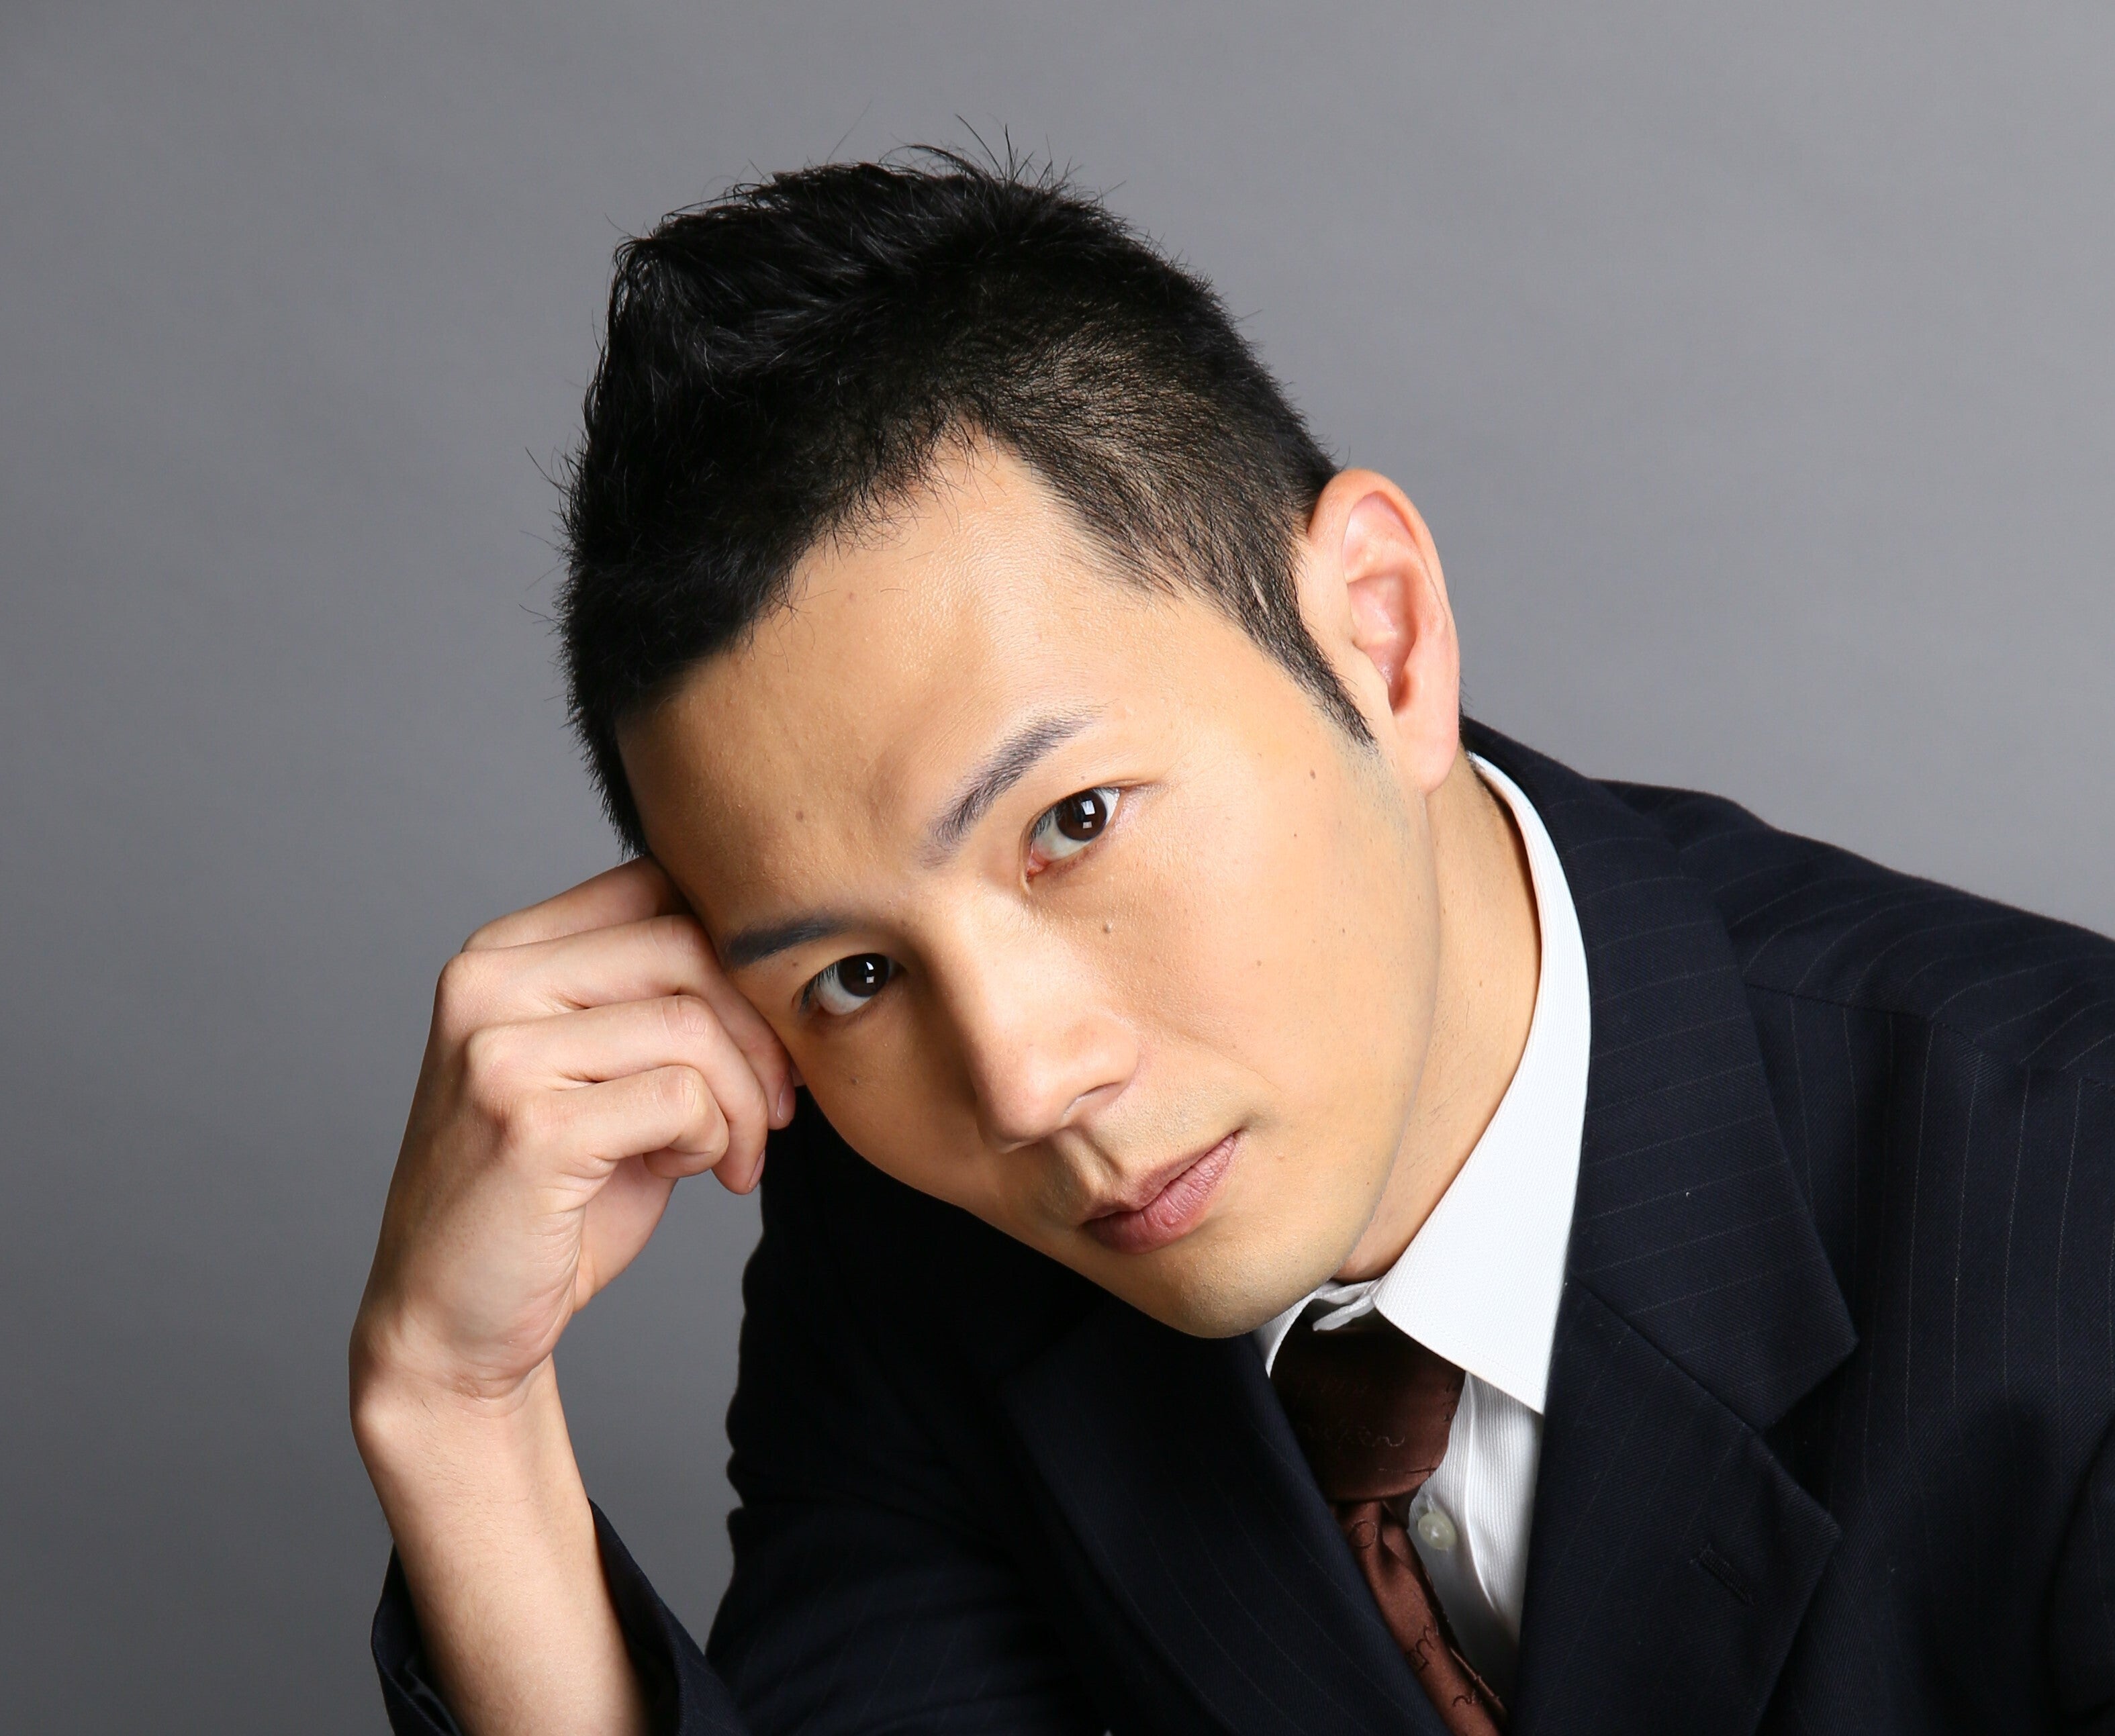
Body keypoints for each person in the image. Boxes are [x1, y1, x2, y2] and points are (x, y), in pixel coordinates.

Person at [349, 155, 2115, 1736]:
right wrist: (457, 1419)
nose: (1024, 1080)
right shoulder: (913, 1237)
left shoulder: (2071, 1209)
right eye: (855, 975)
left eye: (1074, 820)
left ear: (1382, 638)